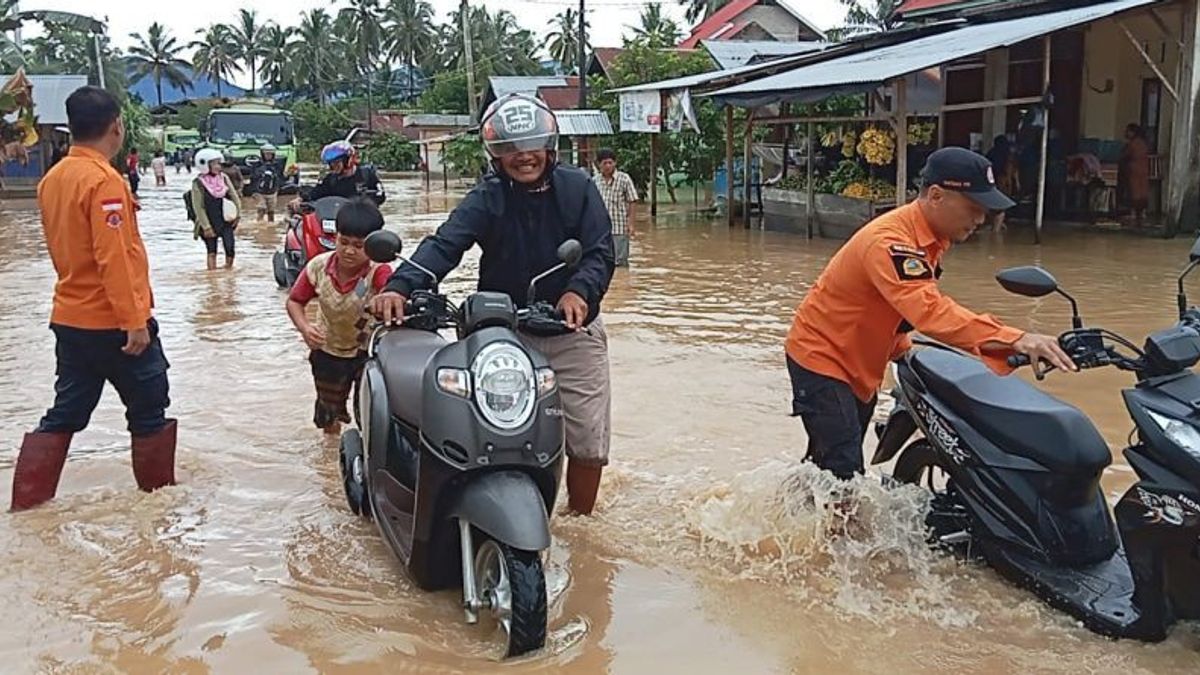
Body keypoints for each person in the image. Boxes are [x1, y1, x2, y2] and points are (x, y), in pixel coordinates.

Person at [369, 93, 616, 515]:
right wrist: (401, 285)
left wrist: (579, 292)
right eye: (511, 149)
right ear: (496, 155)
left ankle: (581, 524)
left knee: (588, 440)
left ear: (549, 147)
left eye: (532, 146)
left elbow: (599, 252)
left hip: (571, 329)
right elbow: (446, 244)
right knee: (480, 429)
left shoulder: (579, 189)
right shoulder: (488, 196)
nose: (523, 157)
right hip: (504, 329)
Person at [785, 147, 1076, 481]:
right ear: (936, 196)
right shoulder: (891, 242)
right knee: (842, 474)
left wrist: (906, 355)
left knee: (827, 467)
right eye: (973, 208)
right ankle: (831, 531)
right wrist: (1018, 338)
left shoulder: (930, 238)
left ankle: (786, 515)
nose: (980, 219)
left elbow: (895, 311)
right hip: (822, 357)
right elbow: (929, 311)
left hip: (860, 361)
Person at [11, 86, 175, 511]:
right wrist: (133, 319)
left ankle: (27, 507)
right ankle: (158, 509)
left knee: (66, 411)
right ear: (116, 126)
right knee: (149, 409)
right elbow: (114, 257)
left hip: (70, 317)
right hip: (114, 325)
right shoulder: (103, 181)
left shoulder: (53, 179)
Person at [286, 198, 392, 433]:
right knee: (328, 411)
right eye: (343, 242)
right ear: (335, 238)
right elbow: (294, 301)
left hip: (367, 352)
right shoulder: (317, 266)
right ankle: (329, 457)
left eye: (359, 245)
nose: (349, 251)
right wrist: (305, 329)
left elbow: (392, 295)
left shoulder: (379, 270)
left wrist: (383, 298)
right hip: (327, 349)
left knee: (370, 413)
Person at [291, 140, 385, 209]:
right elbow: (317, 192)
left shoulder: (367, 175)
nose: (333, 167)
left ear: (348, 160)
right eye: (331, 164)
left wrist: (366, 202)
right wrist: (301, 199)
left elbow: (380, 195)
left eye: (336, 163)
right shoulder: (331, 180)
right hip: (338, 221)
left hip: (362, 220)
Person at [190, 148, 241, 270]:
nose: (219, 167)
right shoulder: (198, 183)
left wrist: (238, 215)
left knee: (230, 248)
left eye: (219, 163)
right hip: (208, 220)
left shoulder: (223, 178)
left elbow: (235, 197)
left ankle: (229, 275)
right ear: (205, 165)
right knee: (212, 251)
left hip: (225, 219)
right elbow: (198, 207)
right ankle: (212, 279)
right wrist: (206, 227)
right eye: (216, 164)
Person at [593, 148, 639, 267]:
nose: (608, 166)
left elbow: (632, 200)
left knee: (620, 263)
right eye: (604, 163)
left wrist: (631, 224)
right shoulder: (594, 181)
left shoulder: (624, 179)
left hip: (619, 228)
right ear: (599, 165)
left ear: (615, 163)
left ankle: (622, 285)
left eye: (610, 162)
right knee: (603, 262)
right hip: (601, 231)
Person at [1120, 123, 1151, 228]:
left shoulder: (1133, 144)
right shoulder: (1143, 143)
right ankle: (1142, 213)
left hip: (1134, 170)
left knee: (1134, 191)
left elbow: (1126, 155)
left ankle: (1133, 213)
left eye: (1128, 131)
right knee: (1142, 191)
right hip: (1144, 170)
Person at [985, 135, 1019, 232]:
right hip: (1002, 181)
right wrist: (1014, 182)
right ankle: (996, 228)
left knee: (993, 205)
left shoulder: (991, 153)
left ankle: (996, 226)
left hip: (991, 181)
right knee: (1001, 205)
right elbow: (1011, 169)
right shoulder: (1008, 155)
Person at [250, 143, 284, 222]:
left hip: (272, 191)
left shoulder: (277, 165)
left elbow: (281, 177)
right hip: (259, 191)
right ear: (262, 154)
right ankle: (259, 224)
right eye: (266, 154)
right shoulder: (257, 165)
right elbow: (253, 177)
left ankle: (270, 225)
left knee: (271, 212)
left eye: (270, 154)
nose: (268, 156)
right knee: (262, 208)